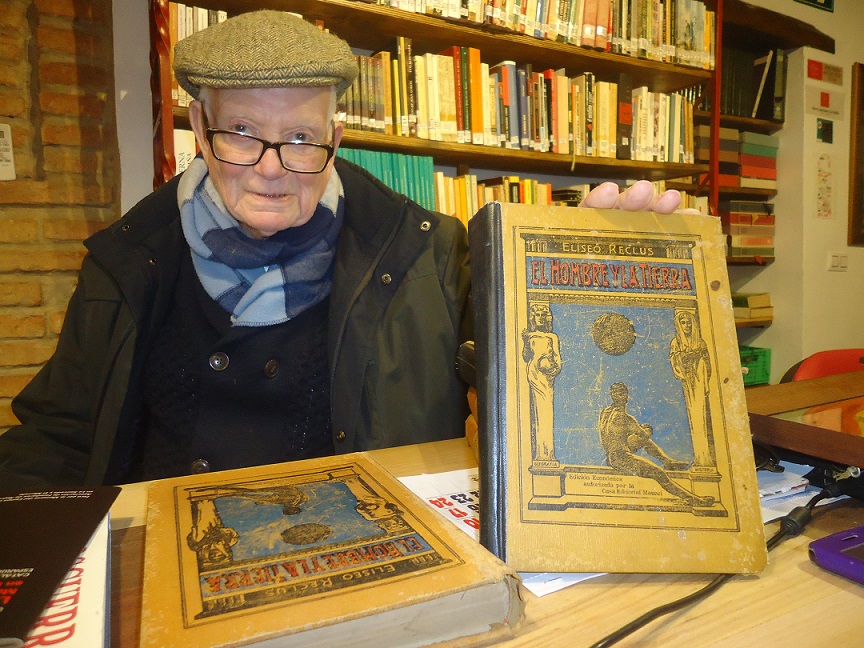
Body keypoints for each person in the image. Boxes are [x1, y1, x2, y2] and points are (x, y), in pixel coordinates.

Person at [0, 11, 686, 489]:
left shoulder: (431, 254)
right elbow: (58, 437)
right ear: (198, 129)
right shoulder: (128, 259)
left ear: (336, 136)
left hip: (365, 560)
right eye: (241, 131)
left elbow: (536, 366)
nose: (271, 167)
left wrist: (586, 277)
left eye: (301, 138)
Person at [598, 382, 713, 507]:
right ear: (625, 397)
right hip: (621, 458)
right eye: (623, 394)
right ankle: (693, 499)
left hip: (611, 455)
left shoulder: (604, 413)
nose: (625, 397)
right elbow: (644, 435)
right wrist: (646, 430)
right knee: (659, 473)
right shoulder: (626, 418)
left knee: (642, 437)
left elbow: (611, 436)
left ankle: (667, 460)